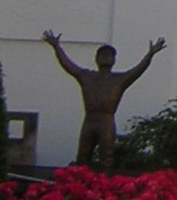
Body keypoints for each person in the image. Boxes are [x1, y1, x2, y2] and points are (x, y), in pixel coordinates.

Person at [42, 30, 166, 170]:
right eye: (102, 55)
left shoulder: (119, 79)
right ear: (96, 58)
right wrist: (57, 47)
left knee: (106, 157)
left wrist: (150, 55)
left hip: (106, 121)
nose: (106, 57)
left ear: (114, 60)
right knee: (83, 156)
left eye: (109, 55)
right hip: (89, 120)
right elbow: (68, 65)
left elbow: (137, 70)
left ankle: (103, 182)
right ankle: (80, 180)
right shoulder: (86, 76)